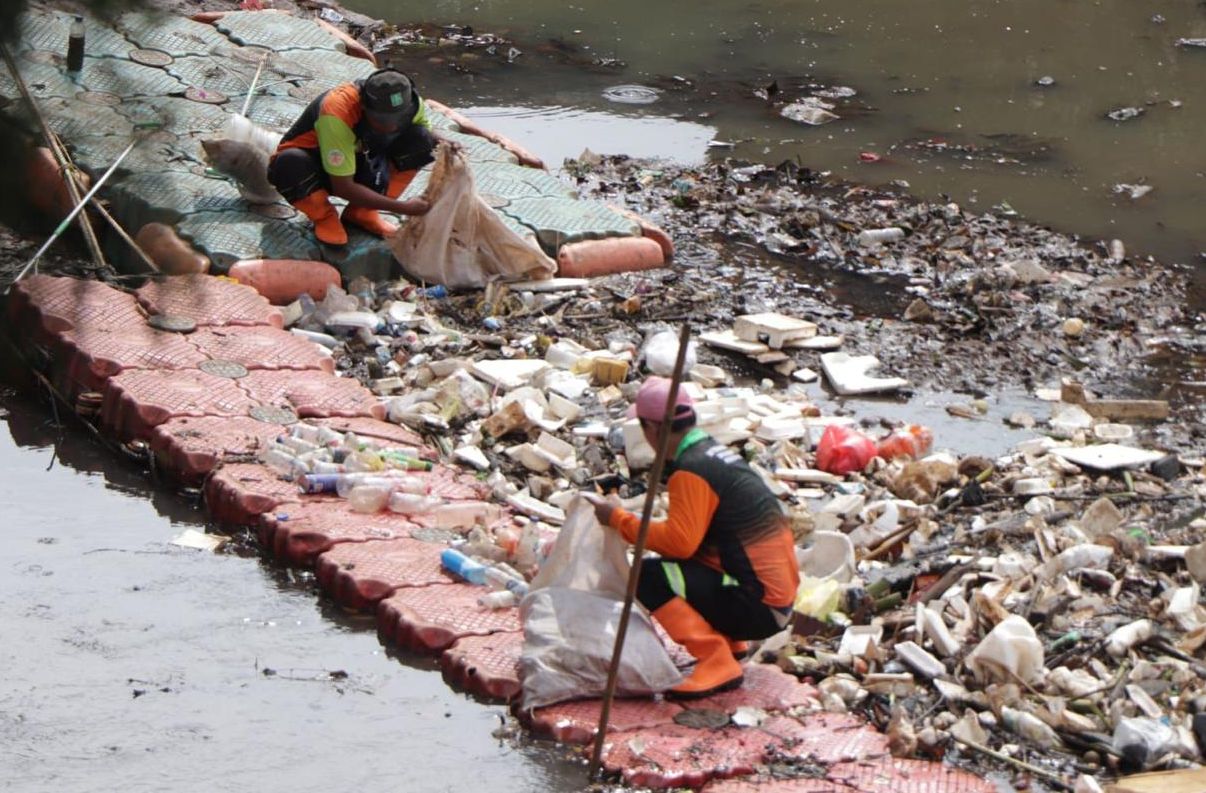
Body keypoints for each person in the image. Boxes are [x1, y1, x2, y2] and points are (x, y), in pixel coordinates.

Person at [585, 377, 800, 698]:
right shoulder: (712, 453)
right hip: (775, 601)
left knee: (647, 576)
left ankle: (715, 659)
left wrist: (618, 520)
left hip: (758, 606)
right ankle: (730, 643)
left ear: (653, 429)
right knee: (674, 564)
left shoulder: (692, 469)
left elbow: (680, 541)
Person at [267, 68, 444, 246]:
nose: (391, 127)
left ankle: (363, 213)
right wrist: (402, 207)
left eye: (399, 119)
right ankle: (324, 216)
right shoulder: (336, 112)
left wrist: (446, 144)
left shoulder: (412, 103)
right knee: (288, 163)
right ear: (364, 107)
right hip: (317, 166)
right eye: (382, 120)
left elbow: (425, 132)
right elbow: (343, 187)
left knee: (422, 141)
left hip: (359, 156)